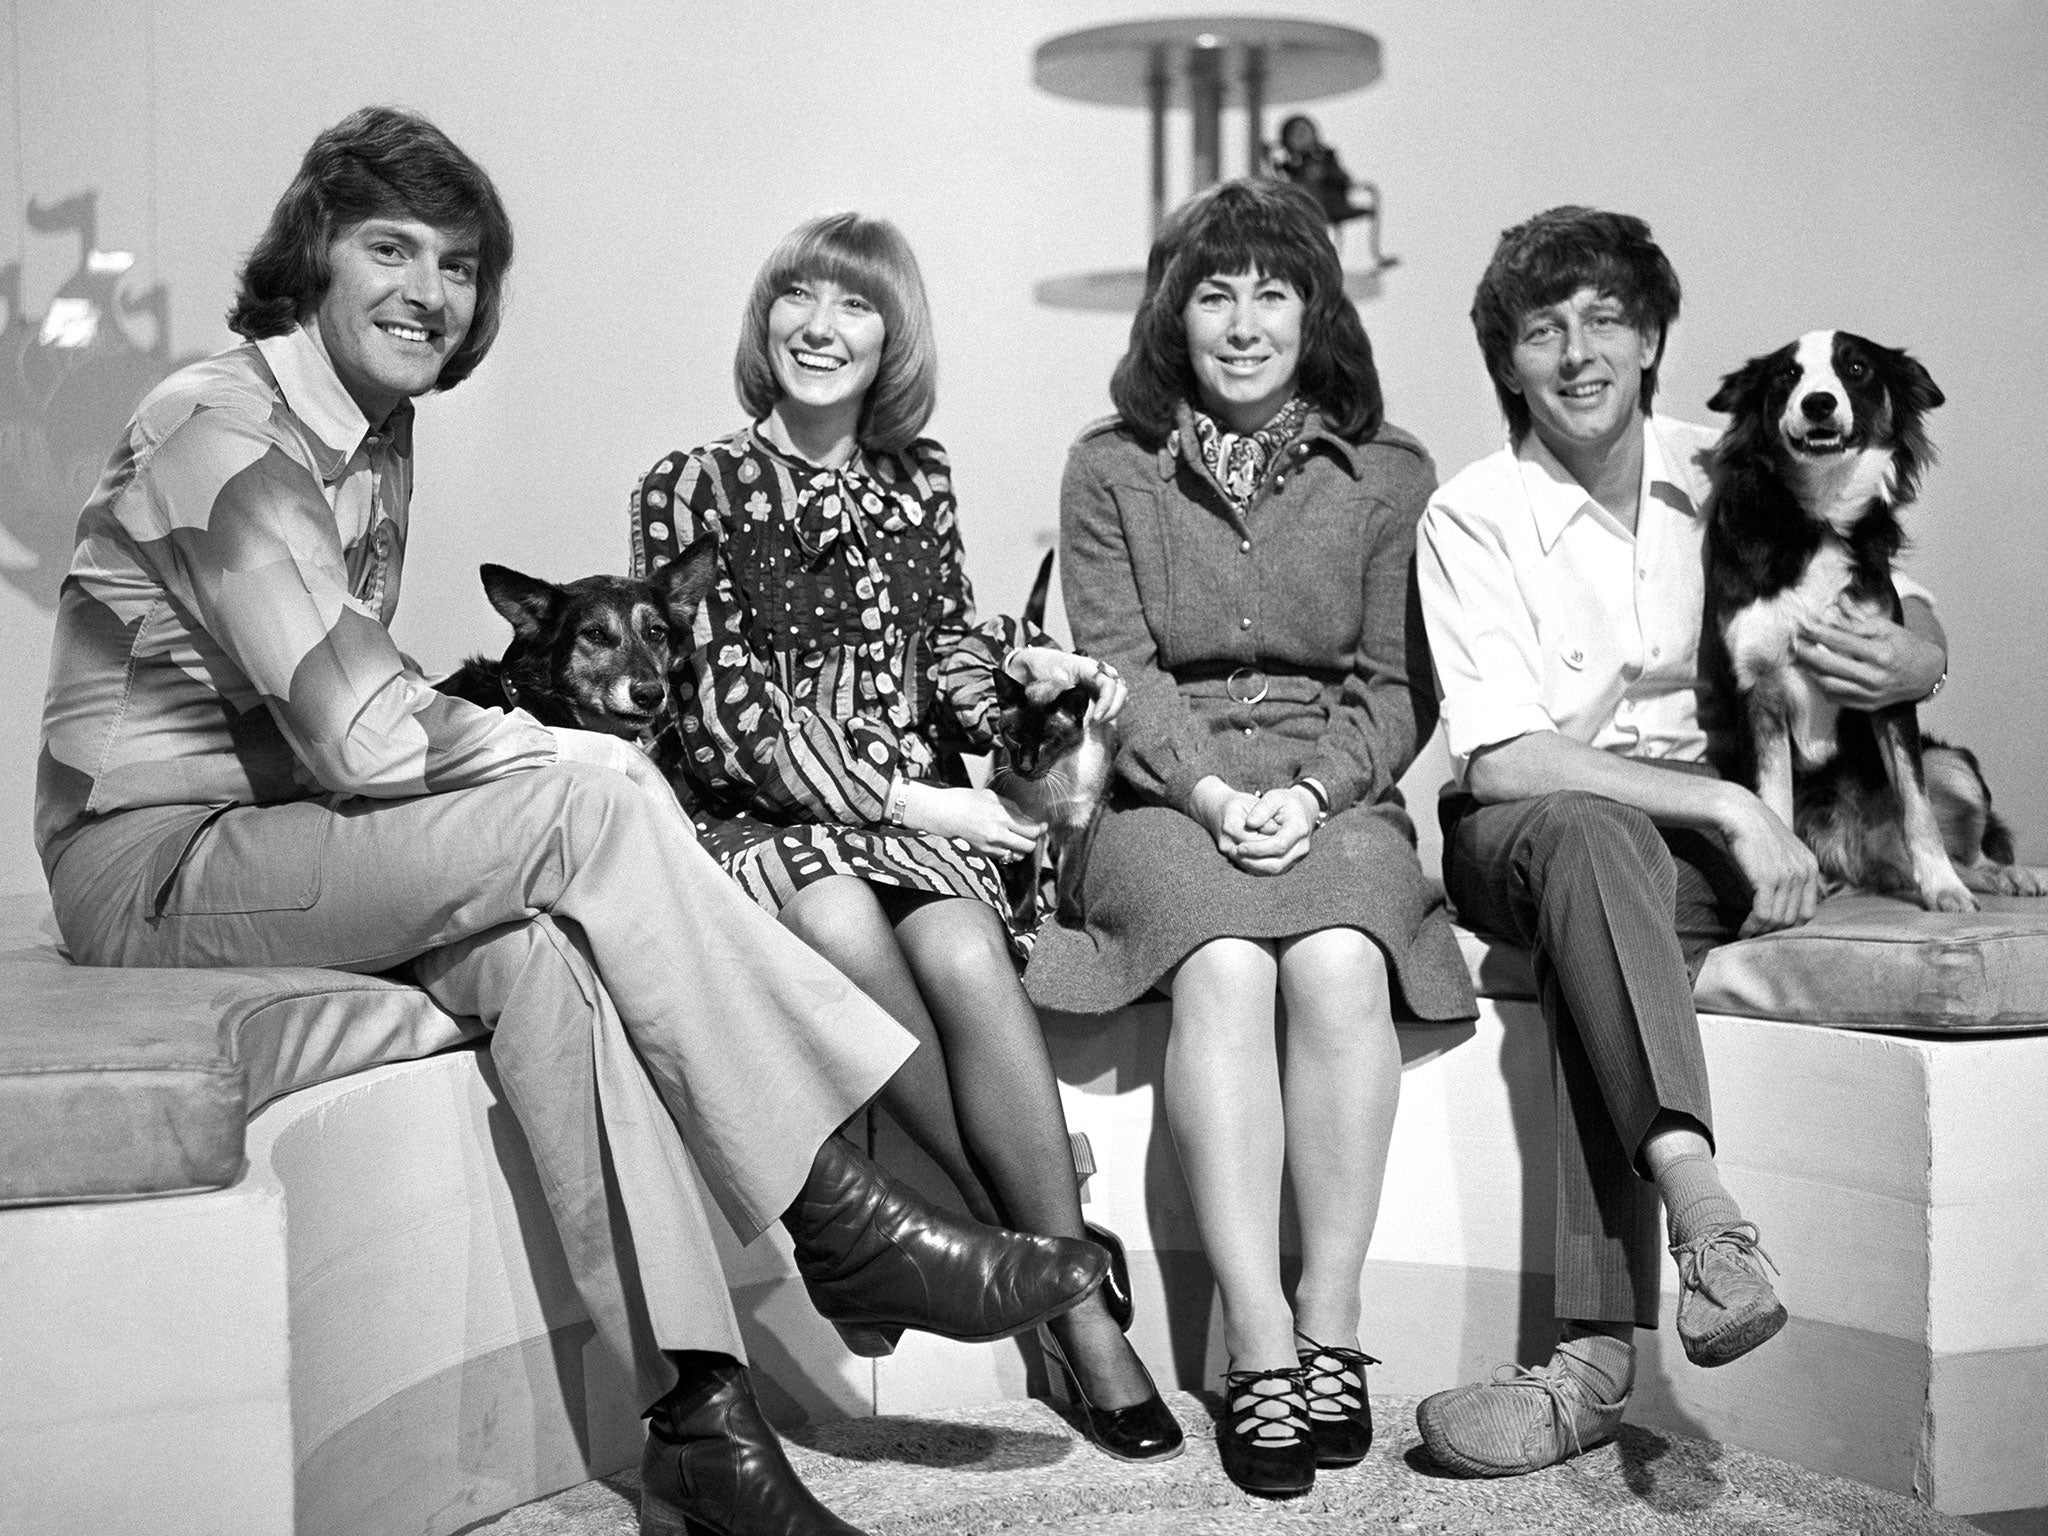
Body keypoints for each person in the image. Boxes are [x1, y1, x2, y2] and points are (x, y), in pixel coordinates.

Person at [35, 109, 1108, 1536]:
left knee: (551, 955)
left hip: (279, 842)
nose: (431, 291)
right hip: (154, 862)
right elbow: (357, 728)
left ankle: (703, 1428)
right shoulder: (216, 425)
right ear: (312, 257)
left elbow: (344, 727)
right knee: (591, 802)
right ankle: (840, 1211)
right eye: (390, 250)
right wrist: (575, 757)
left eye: (461, 265)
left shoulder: (371, 430)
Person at [631, 212, 1183, 1464]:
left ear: (893, 339)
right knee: (830, 917)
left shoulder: (914, 479)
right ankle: (1066, 1287)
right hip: (757, 812)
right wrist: (923, 801)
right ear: (763, 321)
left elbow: (945, 660)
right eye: (798, 300)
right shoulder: (687, 487)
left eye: (855, 307)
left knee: (963, 955)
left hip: (914, 811)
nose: (820, 328)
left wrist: (1027, 683)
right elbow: (726, 722)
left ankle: (1032, 1277)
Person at [1412, 205, 1947, 1478]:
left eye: (1605, 320)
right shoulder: (1472, 512)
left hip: (1687, 858)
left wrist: (1922, 650)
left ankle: (1586, 1371)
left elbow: (1876, 565)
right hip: (1524, 830)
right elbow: (1503, 755)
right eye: (1541, 331)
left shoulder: (1729, 463)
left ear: (1651, 337)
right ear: (1507, 363)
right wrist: (1727, 805)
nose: (1577, 352)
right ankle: (1702, 1213)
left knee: (1614, 935)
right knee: (1594, 847)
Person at [1022, 177, 1477, 1499]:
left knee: (1339, 961)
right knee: (1224, 963)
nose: (1242, 321)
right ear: (1174, 314)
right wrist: (1216, 795)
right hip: (1164, 797)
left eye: (1271, 291)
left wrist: (1319, 792)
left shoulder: (1390, 473)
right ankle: (1258, 1344)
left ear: (1314, 309)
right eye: (1213, 293)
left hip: (1334, 793)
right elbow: (1118, 666)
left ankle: (1330, 1323)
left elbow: (1398, 690)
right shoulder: (1108, 465)